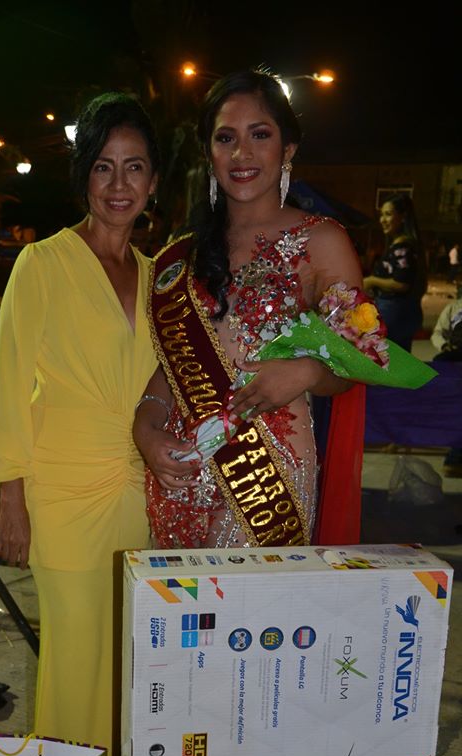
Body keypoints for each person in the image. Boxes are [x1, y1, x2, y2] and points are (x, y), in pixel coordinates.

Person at [0, 93, 159, 756]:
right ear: (83, 175)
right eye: (103, 167)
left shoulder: (159, 276)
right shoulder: (43, 263)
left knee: (129, 663)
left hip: (140, 491)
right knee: (74, 661)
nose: (118, 185)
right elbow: (10, 383)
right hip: (62, 489)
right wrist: (11, 498)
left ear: (154, 181)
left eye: (134, 168)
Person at [133, 68, 378, 549]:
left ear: (288, 149)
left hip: (267, 477)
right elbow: (173, 365)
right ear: (209, 152)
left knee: (255, 597)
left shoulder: (321, 241)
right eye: (226, 138)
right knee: (179, 599)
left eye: (259, 135)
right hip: (180, 466)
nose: (241, 153)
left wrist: (306, 371)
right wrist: (145, 427)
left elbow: (360, 355)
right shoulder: (182, 252)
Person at [363, 193, 427, 352]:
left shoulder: (403, 247)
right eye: (381, 215)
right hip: (401, 312)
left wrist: (371, 281)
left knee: (386, 358)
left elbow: (401, 283)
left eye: (388, 214)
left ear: (403, 217)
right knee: (397, 357)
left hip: (395, 312)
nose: (382, 220)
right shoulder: (404, 245)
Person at [430, 298, 462, 477]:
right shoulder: (454, 308)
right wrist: (444, 346)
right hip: (453, 361)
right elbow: (438, 333)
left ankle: (455, 456)